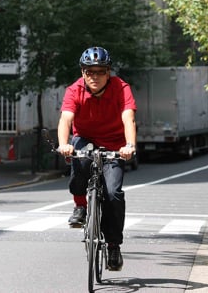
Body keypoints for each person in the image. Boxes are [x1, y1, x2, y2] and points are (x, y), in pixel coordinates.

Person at [57, 46, 137, 271]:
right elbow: (66, 119)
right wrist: (64, 144)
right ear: (83, 72)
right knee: (79, 160)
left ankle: (113, 246)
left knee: (113, 193)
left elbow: (128, 119)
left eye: (100, 71)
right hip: (84, 138)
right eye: (89, 71)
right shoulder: (75, 90)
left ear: (108, 72)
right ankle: (80, 206)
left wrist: (129, 146)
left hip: (114, 144)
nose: (94, 76)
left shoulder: (121, 88)